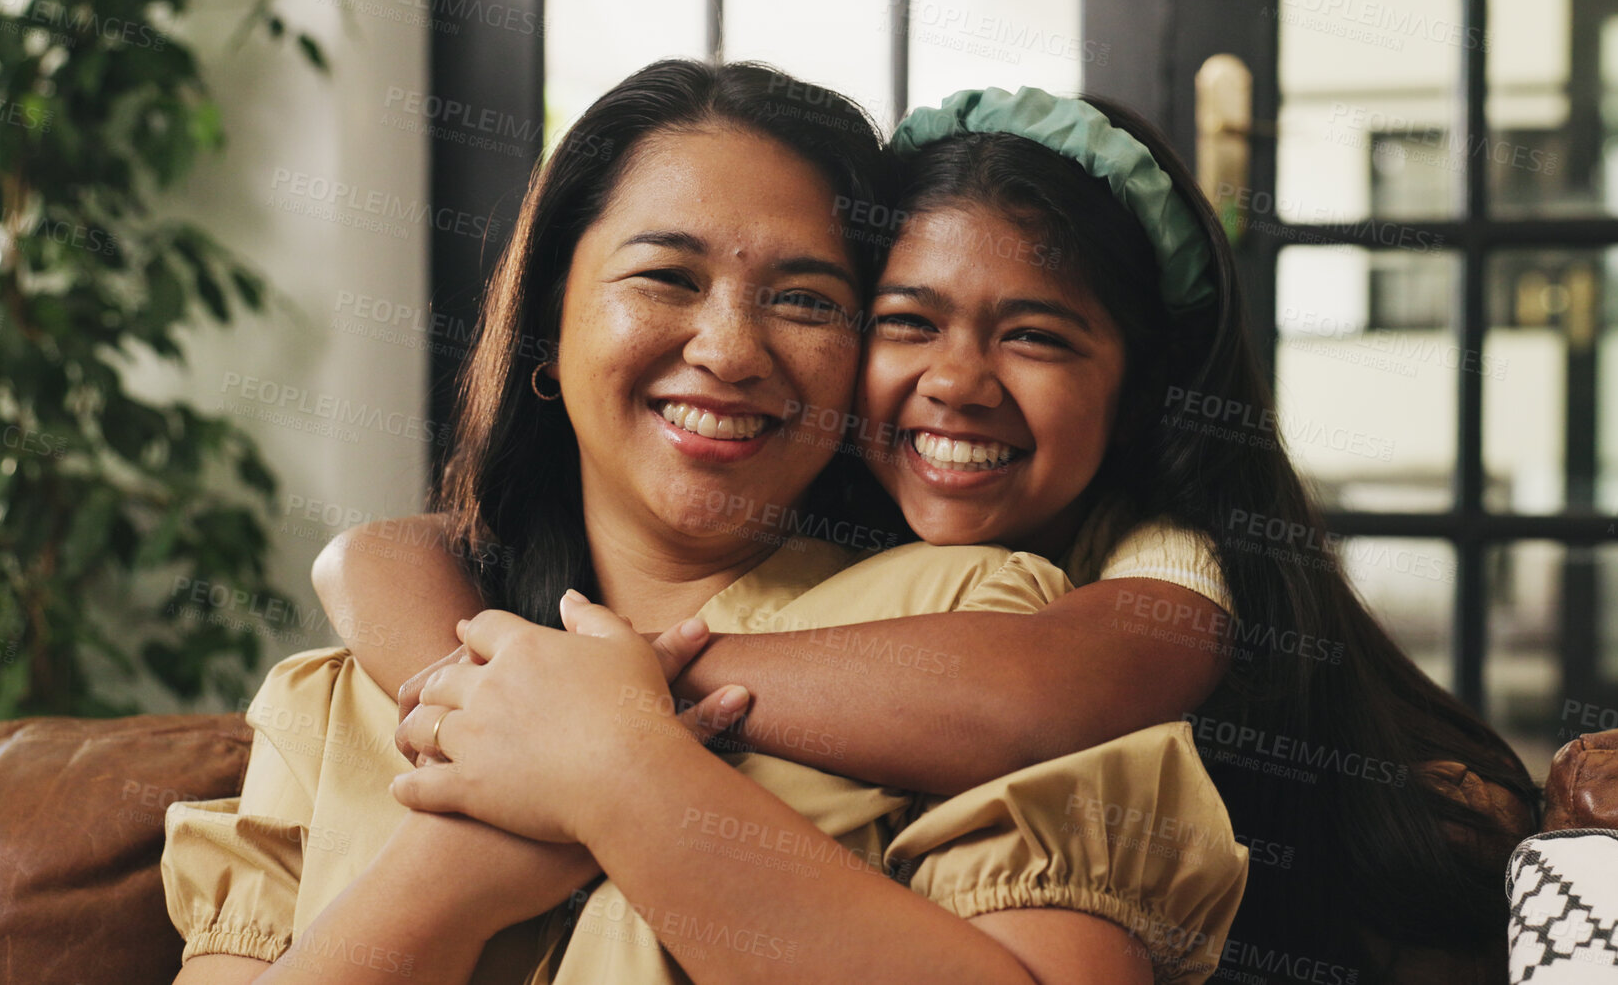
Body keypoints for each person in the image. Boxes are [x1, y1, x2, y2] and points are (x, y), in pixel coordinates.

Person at [343, 86, 1541, 981]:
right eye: (906, 321)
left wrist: (610, 710)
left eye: (1038, 336)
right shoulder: (823, 516)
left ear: (1141, 395)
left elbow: (1030, 692)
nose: (957, 383)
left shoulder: (1161, 562)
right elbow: (386, 552)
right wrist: (480, 690)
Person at [161, 62, 1248, 985]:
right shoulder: (349, 690)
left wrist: (622, 771)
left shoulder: (978, 624)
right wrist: (454, 877)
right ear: (546, 322)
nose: (729, 351)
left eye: (806, 299)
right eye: (666, 277)